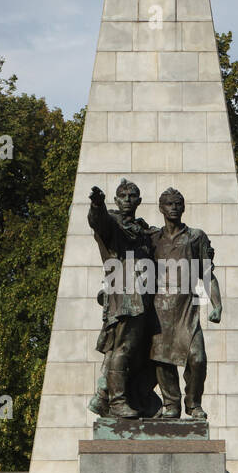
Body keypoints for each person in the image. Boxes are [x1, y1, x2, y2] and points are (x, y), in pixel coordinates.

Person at [148, 187, 221, 419]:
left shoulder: (195, 237)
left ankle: (193, 403)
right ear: (161, 208)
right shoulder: (152, 239)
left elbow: (207, 273)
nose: (174, 207)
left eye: (178, 203)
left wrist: (217, 304)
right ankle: (171, 404)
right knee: (162, 359)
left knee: (197, 358)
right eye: (169, 204)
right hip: (159, 309)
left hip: (187, 308)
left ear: (184, 207)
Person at [88, 179, 157, 418]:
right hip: (126, 295)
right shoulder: (114, 224)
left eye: (132, 196)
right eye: (123, 196)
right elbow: (100, 223)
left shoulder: (142, 228)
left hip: (144, 298)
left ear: (139, 201)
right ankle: (116, 402)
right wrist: (97, 206)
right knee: (123, 348)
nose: (127, 200)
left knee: (144, 351)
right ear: (116, 200)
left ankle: (136, 397)